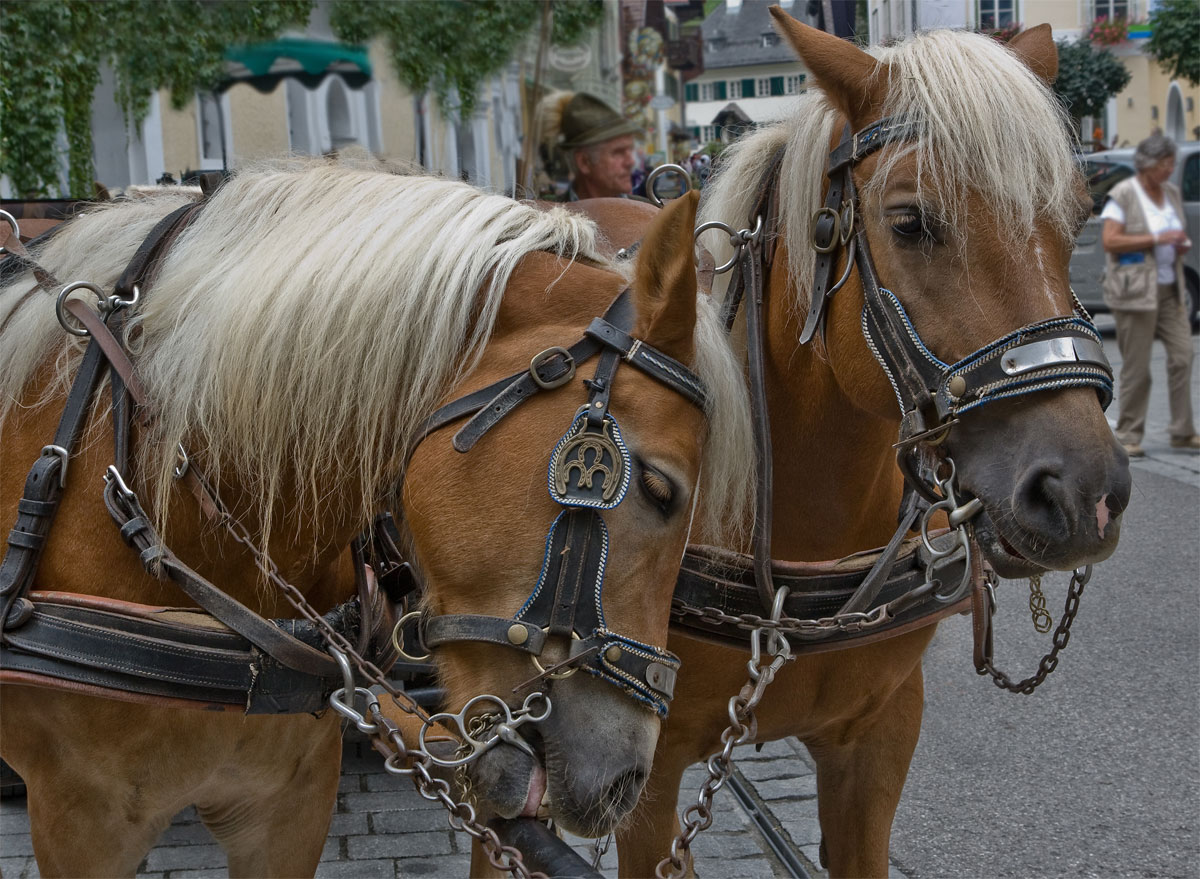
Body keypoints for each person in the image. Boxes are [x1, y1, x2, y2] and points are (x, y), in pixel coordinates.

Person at [1100, 133, 1198, 457]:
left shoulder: (1169, 193)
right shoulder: (1124, 195)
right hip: (1136, 291)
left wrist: (1178, 242)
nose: (1170, 170)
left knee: (1183, 356)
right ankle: (1128, 433)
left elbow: (1175, 233)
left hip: (1171, 288)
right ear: (1148, 164)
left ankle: (1183, 431)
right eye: (1166, 164)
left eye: (1171, 163)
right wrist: (1156, 237)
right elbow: (1111, 241)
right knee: (1137, 366)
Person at [553, 93, 641, 201]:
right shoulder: (549, 216)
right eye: (618, 152)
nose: (631, 162)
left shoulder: (650, 214)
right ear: (584, 162)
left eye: (630, 149)